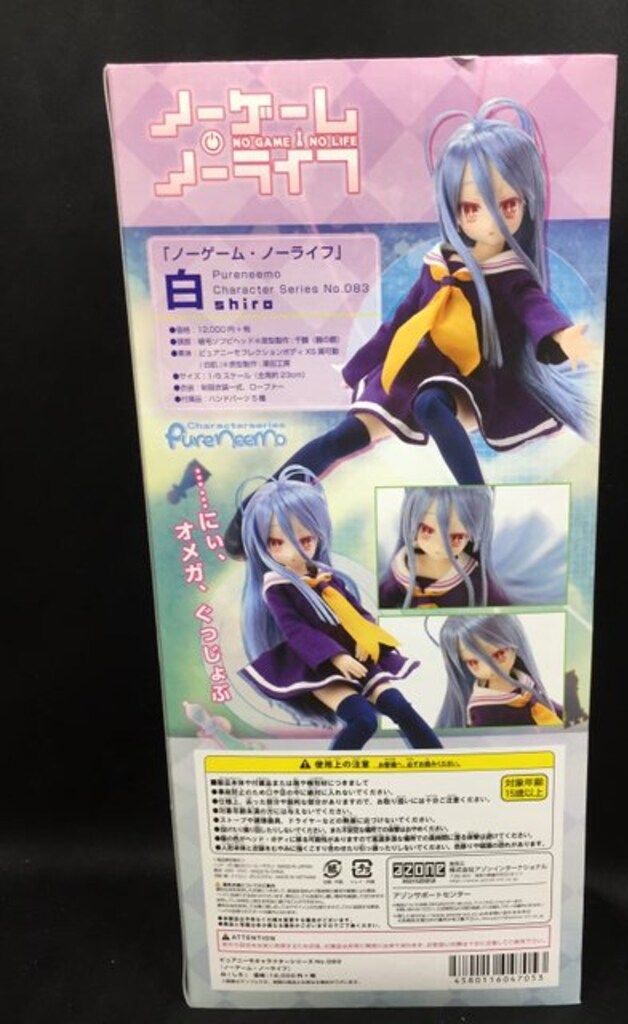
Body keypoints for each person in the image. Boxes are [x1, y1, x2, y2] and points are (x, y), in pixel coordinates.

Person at [224, 98, 594, 557]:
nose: (487, 219)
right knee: (342, 437)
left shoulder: (510, 274)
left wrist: (559, 337)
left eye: (508, 204)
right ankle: (259, 507)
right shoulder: (437, 263)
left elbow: (535, 308)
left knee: (431, 402)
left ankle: (476, 504)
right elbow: (399, 321)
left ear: (526, 203)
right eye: (470, 207)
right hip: (410, 367)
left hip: (471, 375)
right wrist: (356, 368)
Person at [236, 467, 441, 750]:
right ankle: (330, 772)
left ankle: (440, 764)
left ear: (319, 536)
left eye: (305, 540)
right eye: (276, 543)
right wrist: (335, 656)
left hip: (356, 653)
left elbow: (355, 610)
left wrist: (368, 635)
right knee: (363, 720)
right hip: (315, 662)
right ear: (261, 544)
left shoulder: (327, 576)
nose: (293, 552)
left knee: (400, 708)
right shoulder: (277, 586)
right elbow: (295, 628)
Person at [379, 486, 507, 608]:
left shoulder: (474, 576)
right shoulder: (401, 567)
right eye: (426, 530)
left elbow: (499, 604)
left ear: (471, 536)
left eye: (457, 537)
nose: (439, 546)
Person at [436, 614, 563, 728]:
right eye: (473, 662)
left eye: (498, 654)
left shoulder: (526, 684)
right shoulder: (482, 711)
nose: (489, 668)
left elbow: (547, 708)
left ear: (514, 645)